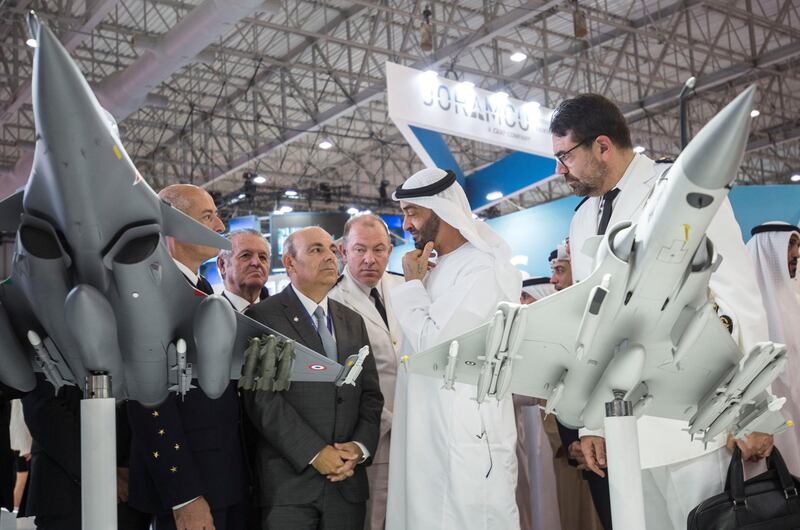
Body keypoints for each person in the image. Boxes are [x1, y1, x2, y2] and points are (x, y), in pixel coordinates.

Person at [550, 93, 772, 530]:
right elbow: (589, 328)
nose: (559, 171)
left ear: (602, 146)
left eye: (564, 156)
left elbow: (736, 299)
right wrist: (592, 425)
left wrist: (752, 410)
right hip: (623, 432)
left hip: (692, 425)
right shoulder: (582, 218)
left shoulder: (681, 191)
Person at [386, 167, 522, 530]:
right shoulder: (436, 268)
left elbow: (436, 345)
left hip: (464, 431)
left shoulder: (479, 268)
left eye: (413, 212)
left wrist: (413, 286)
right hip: (427, 428)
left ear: (441, 210)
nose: (406, 224)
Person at [127, 184, 249, 530]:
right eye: (208, 216)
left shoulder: (203, 292)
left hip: (223, 483)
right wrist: (184, 495)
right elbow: (150, 403)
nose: (221, 227)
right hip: (186, 490)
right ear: (172, 224)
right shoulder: (149, 297)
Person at [243, 226, 383, 530]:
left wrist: (359, 447)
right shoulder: (263, 318)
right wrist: (314, 452)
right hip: (290, 487)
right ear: (290, 263)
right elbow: (262, 399)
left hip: (346, 487)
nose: (330, 257)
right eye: (317, 250)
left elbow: (370, 394)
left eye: (332, 249)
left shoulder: (352, 321)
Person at [329, 214, 403, 530]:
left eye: (379, 249)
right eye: (360, 250)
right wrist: (385, 422)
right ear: (343, 252)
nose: (370, 259)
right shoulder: (331, 300)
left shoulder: (406, 287)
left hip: (418, 430)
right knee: (373, 518)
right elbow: (342, 381)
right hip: (372, 435)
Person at [747, 221, 800, 475]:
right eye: (790, 244)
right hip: (761, 424)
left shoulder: (794, 299)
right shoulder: (746, 306)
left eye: (798, 244)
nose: (796, 253)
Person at [217, 228, 271, 311]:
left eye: (262, 257)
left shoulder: (284, 316)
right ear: (222, 265)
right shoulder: (208, 316)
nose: (257, 263)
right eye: (246, 255)